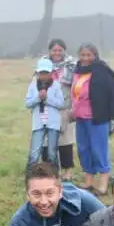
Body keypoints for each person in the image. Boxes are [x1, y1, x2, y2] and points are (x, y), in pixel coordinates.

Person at [71, 43, 114, 195]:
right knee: (84, 149)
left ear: (95, 56)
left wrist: (111, 115)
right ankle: (88, 182)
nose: (85, 58)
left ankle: (103, 184)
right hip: (80, 117)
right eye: (83, 55)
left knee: (99, 149)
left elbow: (112, 92)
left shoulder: (102, 70)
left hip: (98, 118)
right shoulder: (77, 71)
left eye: (89, 55)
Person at [42, 39, 77, 181]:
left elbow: (76, 86)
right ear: (49, 51)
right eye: (54, 50)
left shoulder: (72, 65)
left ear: (64, 50)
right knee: (46, 140)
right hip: (46, 108)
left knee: (65, 141)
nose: (57, 53)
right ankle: (48, 171)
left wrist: (74, 107)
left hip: (64, 107)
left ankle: (67, 172)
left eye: (59, 50)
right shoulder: (43, 65)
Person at [25, 58, 65, 169]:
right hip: (38, 123)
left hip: (53, 124)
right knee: (34, 152)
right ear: (37, 73)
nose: (44, 76)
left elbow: (61, 104)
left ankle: (54, 176)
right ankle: (30, 175)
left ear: (51, 73)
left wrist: (47, 99)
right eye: (41, 73)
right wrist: (38, 98)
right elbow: (28, 103)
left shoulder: (56, 86)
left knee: (52, 152)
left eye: (46, 73)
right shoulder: (33, 86)